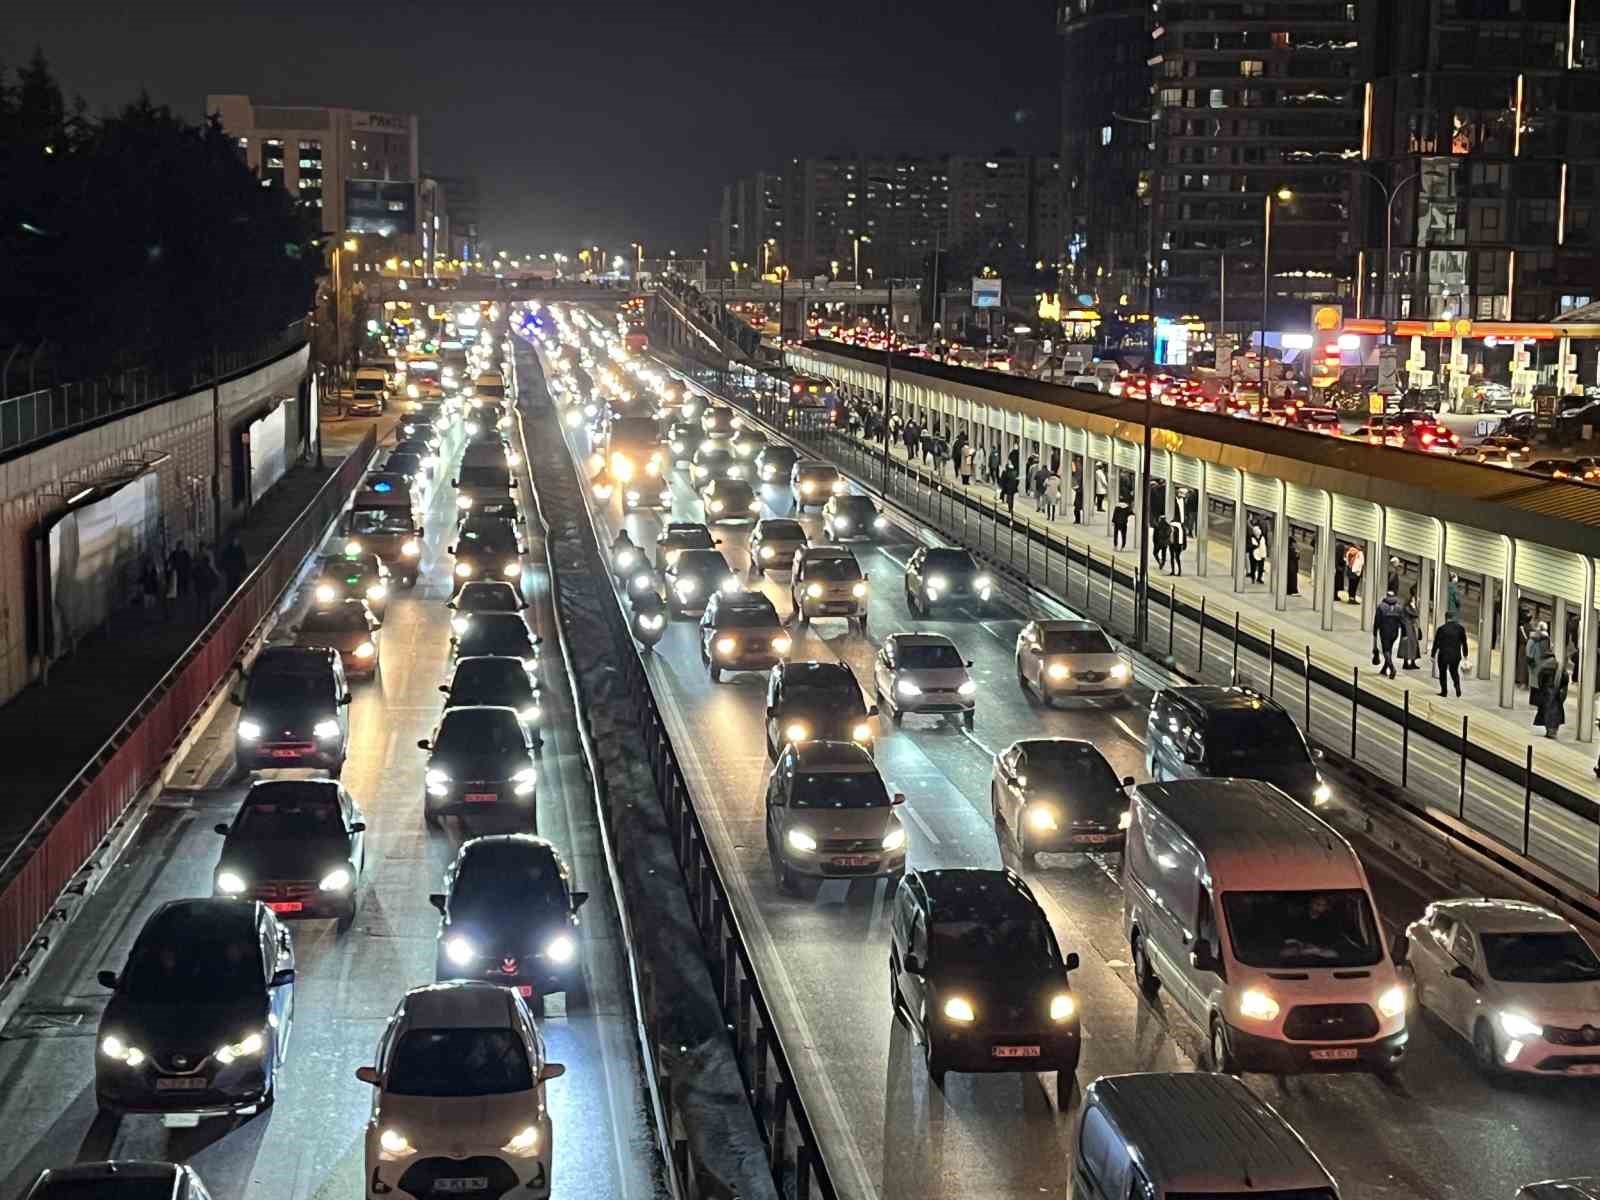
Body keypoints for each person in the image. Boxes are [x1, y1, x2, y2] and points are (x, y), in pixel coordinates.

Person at [1432, 610, 1468, 697]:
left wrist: (1432, 655)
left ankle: (1444, 692)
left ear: (1446, 618)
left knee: (1442, 672)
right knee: (1454, 671)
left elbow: (1436, 643)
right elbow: (1464, 642)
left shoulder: (1441, 629)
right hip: (1455, 655)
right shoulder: (1460, 628)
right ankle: (1457, 688)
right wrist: (1465, 654)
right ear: (1453, 618)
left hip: (1443, 654)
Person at [1533, 652, 1568, 738]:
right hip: (1557, 693)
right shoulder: (1560, 666)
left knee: (1547, 712)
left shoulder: (1543, 666)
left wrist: (1542, 689)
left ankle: (1549, 731)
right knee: (1555, 713)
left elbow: (1539, 680)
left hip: (1546, 692)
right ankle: (1553, 731)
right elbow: (1565, 678)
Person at [1374, 589, 1405, 678]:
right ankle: (1384, 668)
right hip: (1395, 633)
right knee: (1389, 649)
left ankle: (1392, 669)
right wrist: (1404, 634)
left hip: (1384, 632)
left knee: (1385, 650)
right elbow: (1403, 622)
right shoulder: (1399, 608)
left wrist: (1375, 632)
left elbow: (1377, 622)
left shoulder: (1381, 607)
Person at [1525, 621, 1552, 703]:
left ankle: (1534, 700)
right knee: (1537, 682)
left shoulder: (1533, 638)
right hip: (1538, 663)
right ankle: (1536, 700)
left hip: (1535, 662)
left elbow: (1528, 650)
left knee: (1535, 682)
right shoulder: (1543, 639)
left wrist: (1530, 659)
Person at [192, 546, 219, 615]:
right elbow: (215, 579)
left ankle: (200, 616)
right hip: (207, 589)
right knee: (206, 603)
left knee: (201, 603)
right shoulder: (209, 569)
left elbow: (194, 577)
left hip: (201, 589)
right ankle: (207, 616)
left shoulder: (198, 568)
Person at [1400, 591, 1422, 670]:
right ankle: (1406, 663)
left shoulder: (1409, 607)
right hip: (1408, 629)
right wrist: (1414, 607)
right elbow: (1416, 614)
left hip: (1412, 629)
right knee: (1408, 646)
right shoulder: (1407, 608)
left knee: (1414, 646)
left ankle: (1412, 662)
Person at [167, 541, 193, 606]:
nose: (180, 547)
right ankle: (179, 601)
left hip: (184, 574)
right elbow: (169, 562)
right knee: (177, 588)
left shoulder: (185, 553)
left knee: (185, 588)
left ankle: (185, 600)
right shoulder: (174, 553)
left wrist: (189, 572)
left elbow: (189, 563)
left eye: (181, 546)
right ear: (177, 546)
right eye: (179, 546)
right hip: (176, 574)